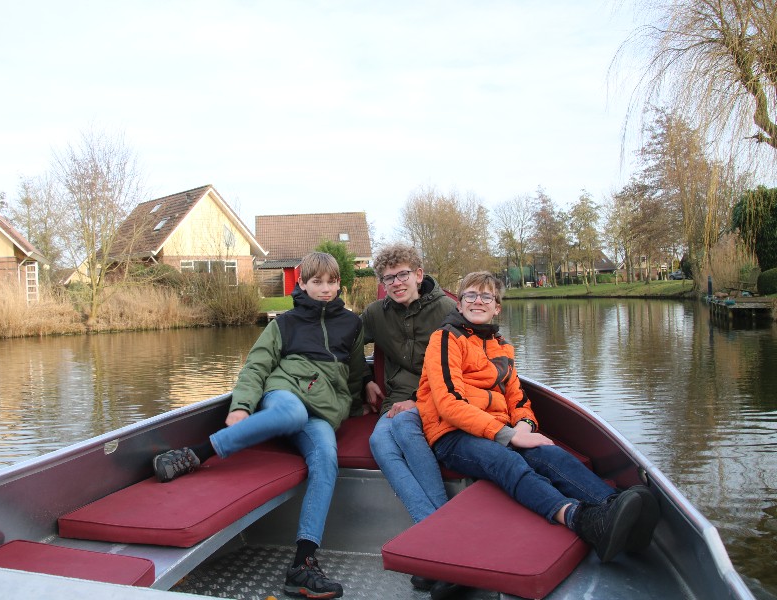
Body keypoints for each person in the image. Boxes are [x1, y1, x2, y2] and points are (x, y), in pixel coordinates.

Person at [152, 252, 365, 600]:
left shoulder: (352, 325)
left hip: (324, 410)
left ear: (339, 283)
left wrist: (356, 406)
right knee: (292, 414)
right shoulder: (283, 324)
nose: (325, 289)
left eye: (331, 282)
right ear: (303, 284)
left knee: (327, 458)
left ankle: (303, 565)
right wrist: (242, 406)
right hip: (285, 394)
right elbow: (255, 367)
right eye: (317, 282)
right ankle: (195, 454)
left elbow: (355, 374)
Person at [416, 271, 661, 564]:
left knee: (547, 452)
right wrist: (508, 435)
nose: (477, 301)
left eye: (486, 296)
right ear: (459, 304)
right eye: (470, 295)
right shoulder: (444, 338)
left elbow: (518, 399)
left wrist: (523, 425)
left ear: (497, 307)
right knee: (506, 460)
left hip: (497, 429)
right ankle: (579, 519)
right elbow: (448, 403)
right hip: (452, 434)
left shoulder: (503, 347)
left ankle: (614, 510)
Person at [361, 243, 459, 597]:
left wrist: (420, 402)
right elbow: (346, 346)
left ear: (418, 274)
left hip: (439, 397)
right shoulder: (375, 313)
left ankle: (436, 548)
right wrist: (364, 380)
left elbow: (464, 366)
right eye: (389, 278)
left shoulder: (448, 310)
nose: (397, 282)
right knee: (377, 441)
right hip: (396, 399)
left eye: (403, 274)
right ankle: (443, 543)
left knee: (402, 425)